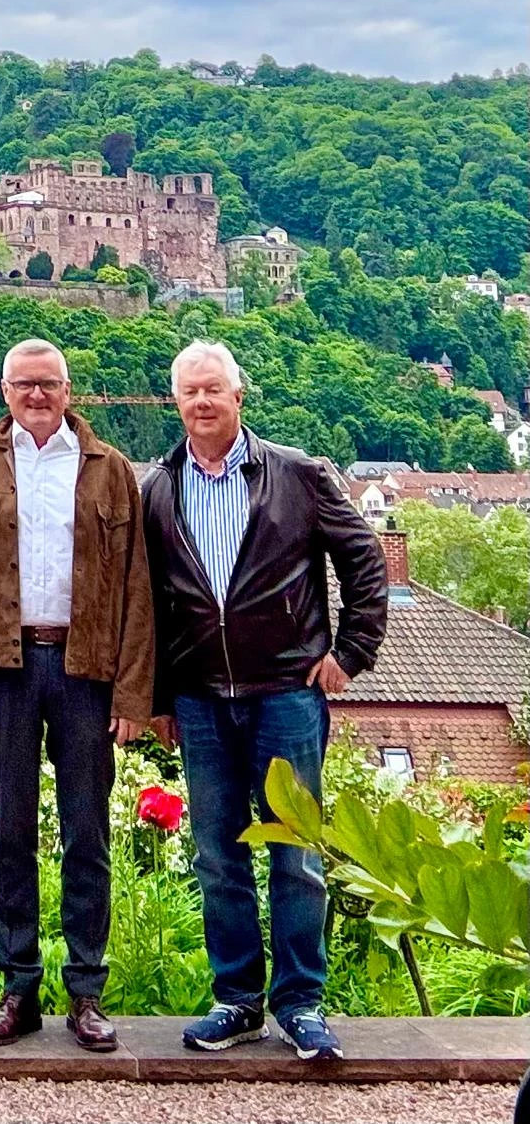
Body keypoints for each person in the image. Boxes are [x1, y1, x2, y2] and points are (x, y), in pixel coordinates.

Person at [142, 340, 387, 1061]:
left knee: (296, 856)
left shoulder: (297, 473)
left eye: (214, 389)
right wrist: (159, 693)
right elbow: (149, 603)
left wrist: (351, 652)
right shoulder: (157, 487)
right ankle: (238, 1001)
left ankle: (302, 1004)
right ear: (176, 401)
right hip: (200, 699)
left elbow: (364, 558)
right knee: (217, 856)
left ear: (238, 396)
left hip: (286, 691)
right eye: (190, 392)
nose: (203, 402)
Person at [0, 338, 153, 1053]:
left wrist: (132, 693)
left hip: (87, 666)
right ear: (4, 390)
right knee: (9, 834)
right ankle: (18, 988)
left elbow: (136, 589)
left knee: (86, 833)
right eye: (24, 383)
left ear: (68, 391)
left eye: (48, 384)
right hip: (3, 667)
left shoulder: (111, 470)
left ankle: (86, 992)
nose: (36, 394)